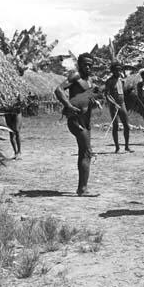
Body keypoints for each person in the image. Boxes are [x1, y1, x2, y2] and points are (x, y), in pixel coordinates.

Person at [54, 52, 101, 196]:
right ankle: (82, 189)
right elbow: (59, 90)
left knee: (84, 153)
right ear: (79, 64)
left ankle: (82, 187)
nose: (88, 67)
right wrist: (68, 105)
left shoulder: (91, 81)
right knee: (86, 152)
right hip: (75, 120)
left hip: (86, 121)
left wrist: (94, 103)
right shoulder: (76, 76)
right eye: (85, 64)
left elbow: (87, 99)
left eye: (90, 65)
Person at [104, 61, 133, 153]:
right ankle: (117, 147)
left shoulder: (122, 80)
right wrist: (114, 104)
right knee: (115, 126)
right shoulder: (109, 81)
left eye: (119, 70)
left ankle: (127, 146)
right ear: (112, 71)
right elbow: (107, 95)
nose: (118, 72)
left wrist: (130, 91)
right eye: (116, 70)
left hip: (122, 104)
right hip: (113, 106)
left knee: (127, 126)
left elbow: (123, 93)